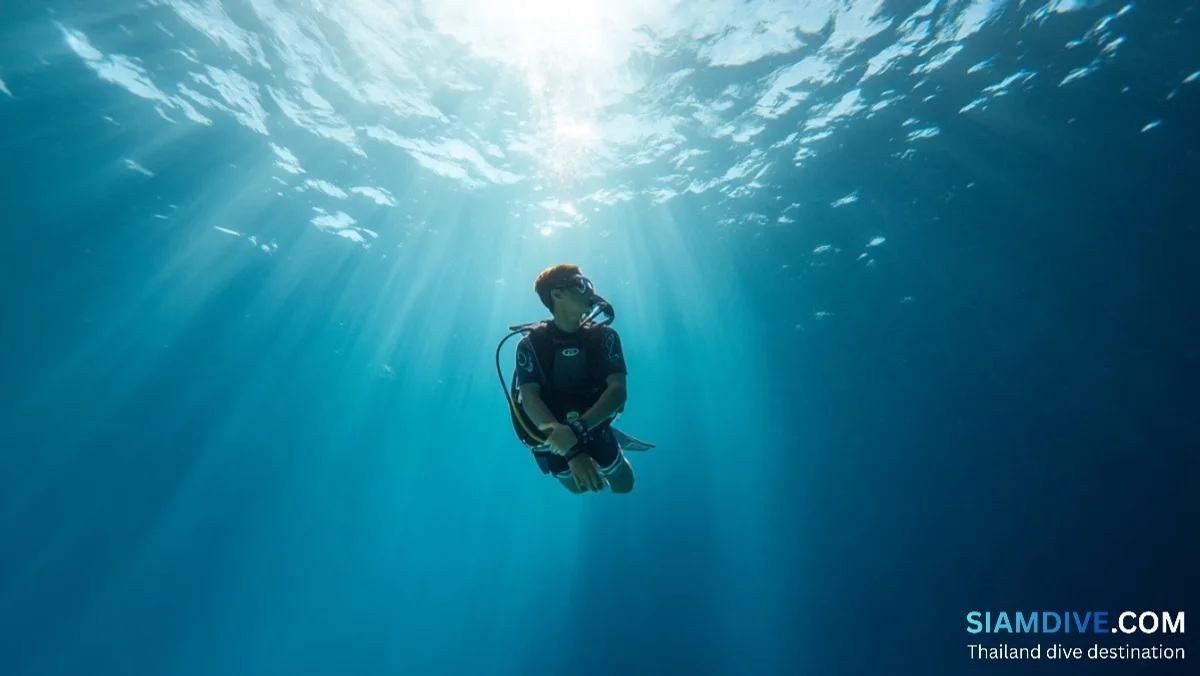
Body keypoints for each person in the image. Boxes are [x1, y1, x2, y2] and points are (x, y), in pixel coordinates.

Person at [513, 264, 635, 494]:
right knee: (577, 489)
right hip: (551, 432)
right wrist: (572, 450)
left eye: (588, 284)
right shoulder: (530, 344)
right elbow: (529, 399)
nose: (590, 291)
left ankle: (606, 439)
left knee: (624, 485)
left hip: (591, 423)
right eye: (581, 284)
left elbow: (618, 390)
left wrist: (577, 430)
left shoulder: (605, 336)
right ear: (557, 294)